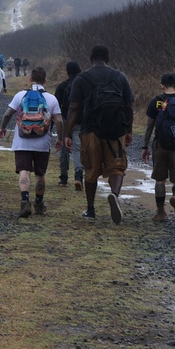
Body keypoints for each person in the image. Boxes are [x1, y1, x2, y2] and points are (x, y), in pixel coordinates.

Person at [63, 45, 134, 224]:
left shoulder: (81, 79)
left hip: (90, 131)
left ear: (91, 58)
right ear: (107, 58)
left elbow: (73, 108)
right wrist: (128, 131)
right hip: (116, 131)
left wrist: (67, 133)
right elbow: (129, 107)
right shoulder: (120, 76)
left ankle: (91, 209)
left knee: (91, 171)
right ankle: (114, 195)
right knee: (117, 168)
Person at [0, 67, 63, 217]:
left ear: (30, 79)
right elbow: (59, 121)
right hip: (43, 142)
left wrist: (2, 128)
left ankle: (25, 202)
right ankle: (39, 204)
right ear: (45, 81)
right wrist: (59, 138)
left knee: (24, 171)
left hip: (22, 141)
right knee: (40, 173)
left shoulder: (21, 95)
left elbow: (8, 113)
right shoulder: (52, 99)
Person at [141, 73, 175, 222]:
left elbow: (149, 127)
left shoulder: (156, 102)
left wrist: (145, 147)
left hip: (160, 145)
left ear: (162, 85)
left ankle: (160, 212)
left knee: (160, 179)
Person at [54, 61, 83, 189]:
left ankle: (64, 178)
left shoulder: (62, 86)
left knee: (64, 150)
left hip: (65, 120)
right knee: (78, 149)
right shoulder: (84, 85)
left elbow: (55, 107)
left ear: (67, 71)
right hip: (80, 122)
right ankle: (78, 176)